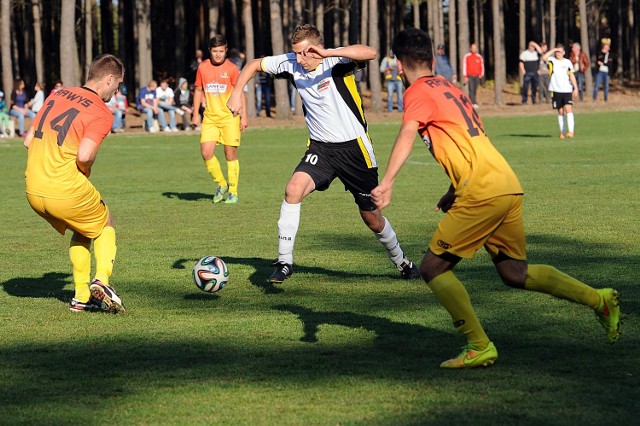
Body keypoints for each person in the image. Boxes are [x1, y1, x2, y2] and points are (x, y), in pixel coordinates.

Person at [371, 28, 621, 369]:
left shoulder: (416, 91)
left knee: (432, 268)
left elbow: (407, 131)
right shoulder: (451, 88)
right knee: (514, 272)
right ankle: (600, 300)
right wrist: (453, 189)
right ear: (431, 57)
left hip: (483, 191)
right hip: (505, 183)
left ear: (400, 64)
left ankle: (479, 345)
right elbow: (471, 144)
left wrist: (387, 182)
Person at [227, 24, 421, 283]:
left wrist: (327, 52)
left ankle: (402, 261)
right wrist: (237, 92)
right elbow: (253, 64)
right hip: (321, 148)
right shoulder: (291, 63)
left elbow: (371, 52)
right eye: (296, 53)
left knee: (371, 218)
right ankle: (284, 262)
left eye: (304, 53)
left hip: (355, 150)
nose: (299, 59)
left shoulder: (336, 60)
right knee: (293, 190)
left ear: (316, 50)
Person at [23, 54, 126, 314]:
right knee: (105, 223)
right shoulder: (101, 112)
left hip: (33, 188)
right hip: (64, 187)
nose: (117, 91)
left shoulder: (57, 95)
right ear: (110, 79)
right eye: (118, 85)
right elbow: (84, 156)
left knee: (83, 229)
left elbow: (27, 141)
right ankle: (102, 279)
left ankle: (81, 297)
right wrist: (85, 170)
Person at [192, 35, 248, 204]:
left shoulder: (231, 68)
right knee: (206, 152)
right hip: (210, 118)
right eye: (215, 51)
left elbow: (240, 93)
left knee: (230, 153)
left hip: (230, 117)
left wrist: (244, 116)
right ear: (210, 51)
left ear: (226, 51)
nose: (217, 55)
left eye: (221, 51)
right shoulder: (202, 67)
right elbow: (198, 90)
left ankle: (233, 191)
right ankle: (221, 184)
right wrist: (195, 113)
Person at [543, 44, 578, 139]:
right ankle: (562, 132)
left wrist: (575, 87)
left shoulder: (568, 62)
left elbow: (571, 75)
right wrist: (553, 49)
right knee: (560, 111)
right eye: (557, 52)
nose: (558, 53)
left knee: (569, 109)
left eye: (560, 51)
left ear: (564, 53)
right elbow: (544, 57)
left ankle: (571, 131)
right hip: (555, 90)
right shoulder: (552, 61)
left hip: (566, 89)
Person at [462, 43, 484, 108]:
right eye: (473, 48)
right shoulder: (467, 56)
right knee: (471, 89)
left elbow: (482, 66)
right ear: (470, 48)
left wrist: (481, 75)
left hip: (477, 76)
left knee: (474, 90)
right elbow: (465, 66)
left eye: (475, 48)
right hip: (470, 76)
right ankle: (473, 103)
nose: (474, 49)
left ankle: (472, 102)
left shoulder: (479, 57)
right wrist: (465, 76)